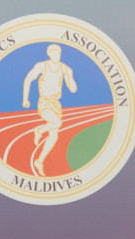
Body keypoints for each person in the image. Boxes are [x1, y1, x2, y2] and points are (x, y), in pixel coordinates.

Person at [22, 44, 77, 176]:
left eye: (58, 53)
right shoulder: (42, 66)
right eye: (53, 53)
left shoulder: (64, 68)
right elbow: (28, 79)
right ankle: (39, 130)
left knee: (54, 137)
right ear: (49, 54)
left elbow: (73, 89)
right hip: (44, 102)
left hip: (56, 104)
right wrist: (25, 99)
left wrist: (70, 75)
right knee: (57, 123)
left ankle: (39, 161)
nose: (56, 55)